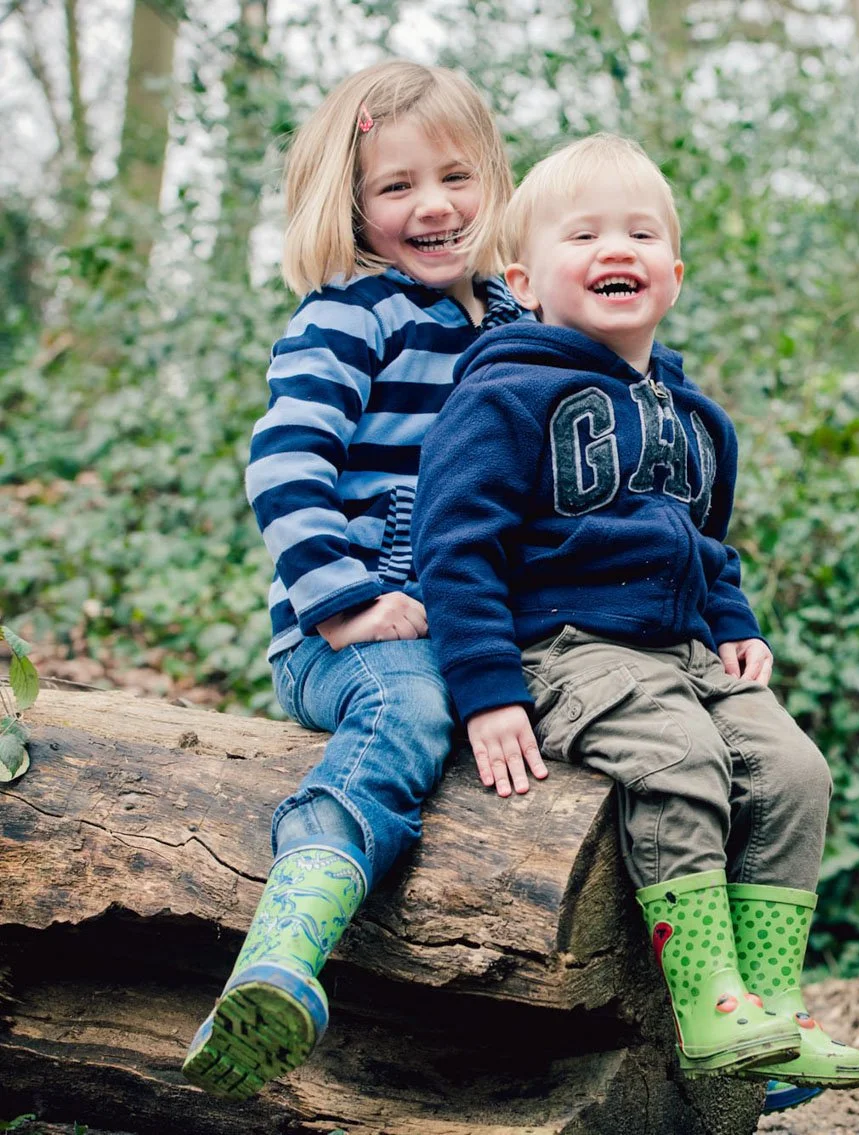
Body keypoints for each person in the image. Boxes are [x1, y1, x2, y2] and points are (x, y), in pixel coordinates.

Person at [413, 133, 859, 1095]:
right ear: (525, 280)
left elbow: (703, 539)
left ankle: (771, 1012)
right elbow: (454, 549)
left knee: (795, 770)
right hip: (563, 649)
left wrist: (734, 620)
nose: (615, 249)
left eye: (639, 232)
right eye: (584, 234)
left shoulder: (686, 409)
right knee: (680, 759)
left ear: (672, 270)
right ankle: (707, 999)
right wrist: (487, 693)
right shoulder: (505, 392)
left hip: (681, 650)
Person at [182, 60, 531, 1101]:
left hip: (467, 629)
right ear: (354, 207)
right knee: (409, 707)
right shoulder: (349, 318)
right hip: (343, 639)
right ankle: (277, 957)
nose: (433, 205)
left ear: (493, 181)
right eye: (396, 187)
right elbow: (285, 462)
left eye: (456, 177)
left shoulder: (514, 327)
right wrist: (343, 601)